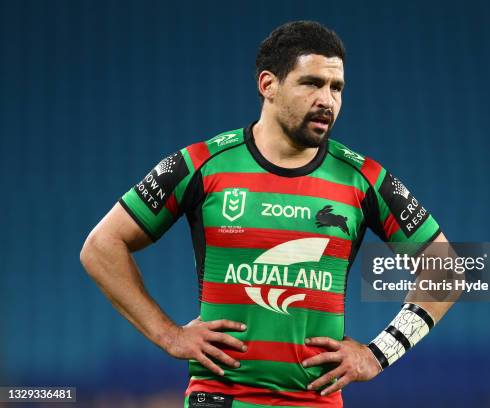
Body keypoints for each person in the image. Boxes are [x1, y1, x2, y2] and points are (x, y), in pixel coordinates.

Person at [80, 20, 457, 408]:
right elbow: (101, 247)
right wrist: (169, 335)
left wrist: (379, 354)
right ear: (268, 85)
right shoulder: (201, 164)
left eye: (336, 87)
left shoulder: (365, 180)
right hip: (220, 398)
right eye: (312, 83)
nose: (327, 100)